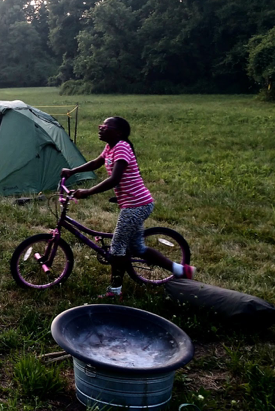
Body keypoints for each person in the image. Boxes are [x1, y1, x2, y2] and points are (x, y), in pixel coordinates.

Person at [60, 116, 193, 299]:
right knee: (137, 248)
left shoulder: (122, 147)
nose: (101, 128)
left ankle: (115, 291)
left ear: (118, 132)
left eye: (105, 126)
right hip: (133, 203)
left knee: (117, 248)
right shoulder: (111, 147)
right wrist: (72, 171)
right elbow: (96, 163)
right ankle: (180, 270)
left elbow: (114, 179)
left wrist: (88, 192)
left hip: (136, 205)